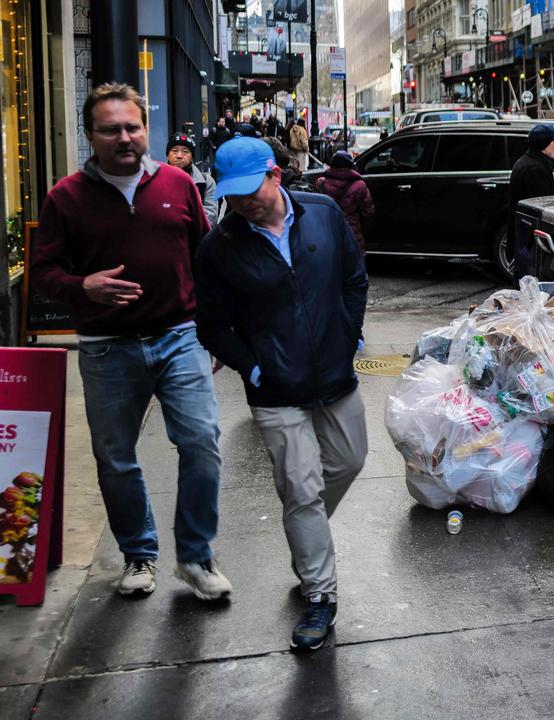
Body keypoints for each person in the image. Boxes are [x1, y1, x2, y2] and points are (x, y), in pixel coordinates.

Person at [30, 83, 232, 600]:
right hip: (105, 347)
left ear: (146, 130)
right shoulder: (65, 198)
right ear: (90, 135)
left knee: (202, 444)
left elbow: (205, 259)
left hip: (178, 336)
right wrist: (84, 287)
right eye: (111, 129)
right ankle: (139, 555)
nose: (124, 137)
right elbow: (45, 271)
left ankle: (194, 555)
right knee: (115, 456)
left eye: (132, 127)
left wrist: (213, 334)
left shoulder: (178, 184)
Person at [195, 136, 369, 651]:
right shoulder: (220, 248)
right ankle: (320, 595)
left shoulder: (322, 212)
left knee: (349, 461)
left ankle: (304, 535)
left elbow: (354, 280)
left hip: (335, 375)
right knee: (302, 490)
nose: (242, 201)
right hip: (275, 390)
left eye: (250, 188)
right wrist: (253, 368)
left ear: (275, 174)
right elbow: (213, 327)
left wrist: (348, 334)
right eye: (232, 193)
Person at [508, 123, 554, 277]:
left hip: (528, 243)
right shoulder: (535, 170)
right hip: (533, 245)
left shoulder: (530, 163)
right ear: (544, 144)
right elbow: (542, 211)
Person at [314, 151, 374, 254]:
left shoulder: (321, 183)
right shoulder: (360, 185)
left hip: (328, 234)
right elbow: (368, 213)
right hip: (352, 235)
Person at [166, 133, 218, 227]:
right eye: (174, 151)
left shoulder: (206, 182)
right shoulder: (156, 180)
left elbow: (211, 216)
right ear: (168, 155)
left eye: (185, 152)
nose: (179, 156)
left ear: (192, 157)